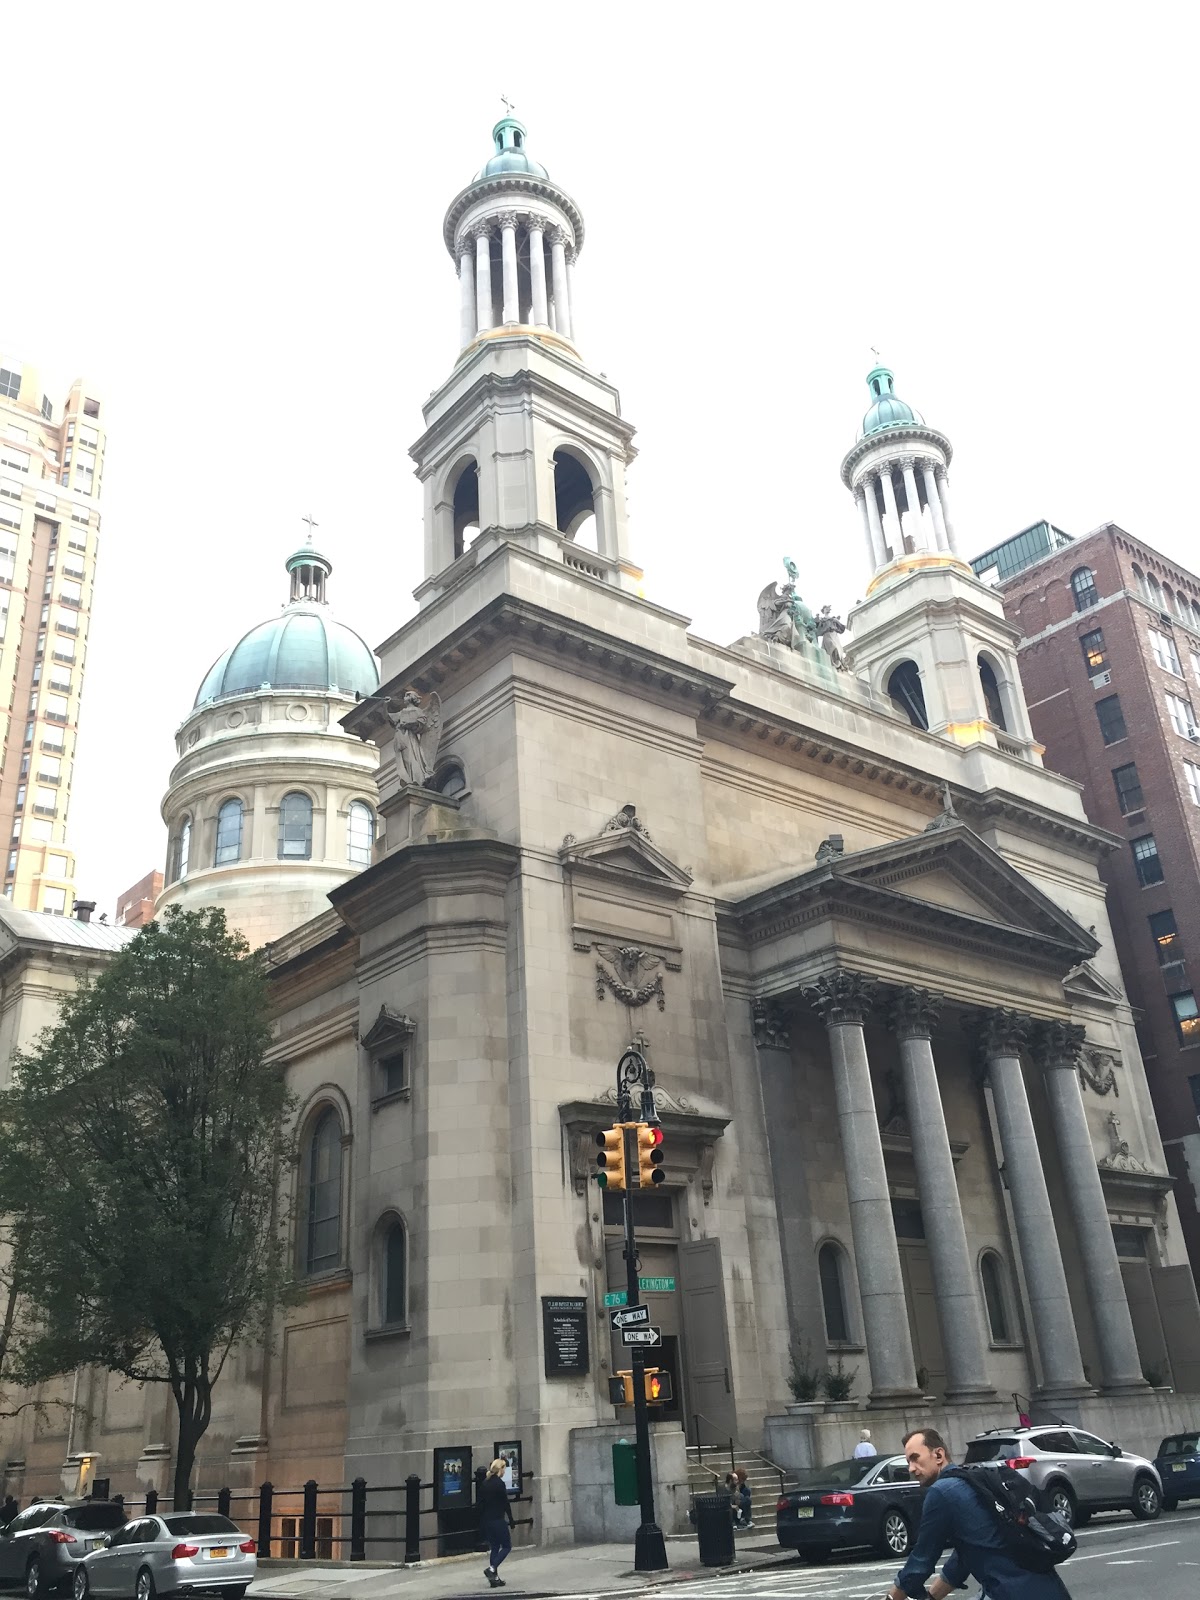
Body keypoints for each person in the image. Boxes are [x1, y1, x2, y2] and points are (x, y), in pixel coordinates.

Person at [888, 1427, 1072, 1600]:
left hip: (1009, 1592)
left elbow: (921, 1561)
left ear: (938, 1455)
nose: (911, 1469)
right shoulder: (973, 1479)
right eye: (908, 1462)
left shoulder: (941, 1492)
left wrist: (891, 1597)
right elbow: (962, 1560)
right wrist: (932, 1597)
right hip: (1049, 1588)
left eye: (915, 1458)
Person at [479, 1458, 514, 1589]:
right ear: (500, 1469)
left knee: (494, 1547)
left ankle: (495, 1579)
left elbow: (480, 1504)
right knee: (506, 1546)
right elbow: (505, 1503)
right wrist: (511, 1519)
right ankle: (492, 1569)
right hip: (498, 1519)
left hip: (487, 1520)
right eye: (504, 1468)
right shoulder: (499, 1484)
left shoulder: (485, 1483)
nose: (505, 1471)